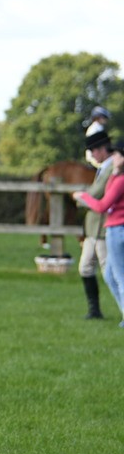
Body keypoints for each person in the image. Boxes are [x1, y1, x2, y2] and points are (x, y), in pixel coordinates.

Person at [75, 139, 124, 327]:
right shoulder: (116, 176)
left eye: (118, 154)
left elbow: (103, 205)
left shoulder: (120, 180)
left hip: (117, 229)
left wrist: (83, 197)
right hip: (113, 229)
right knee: (110, 274)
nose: (114, 157)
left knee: (119, 275)